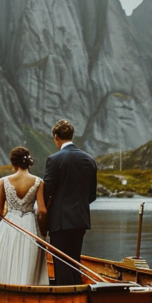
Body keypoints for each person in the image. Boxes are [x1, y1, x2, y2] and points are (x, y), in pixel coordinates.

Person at [0, 147, 49, 286]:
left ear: (13, 163)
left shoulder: (4, 181)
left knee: (7, 256)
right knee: (26, 259)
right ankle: (27, 289)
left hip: (10, 223)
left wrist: (7, 215)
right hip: (29, 224)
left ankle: (6, 287)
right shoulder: (38, 182)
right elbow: (42, 211)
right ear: (28, 162)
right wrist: (43, 232)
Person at [42, 119, 97, 286]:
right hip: (80, 219)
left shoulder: (54, 159)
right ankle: (78, 291)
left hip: (60, 220)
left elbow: (47, 191)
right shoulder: (89, 159)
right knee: (74, 260)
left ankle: (65, 296)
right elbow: (92, 195)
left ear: (56, 137)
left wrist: (44, 213)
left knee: (60, 261)